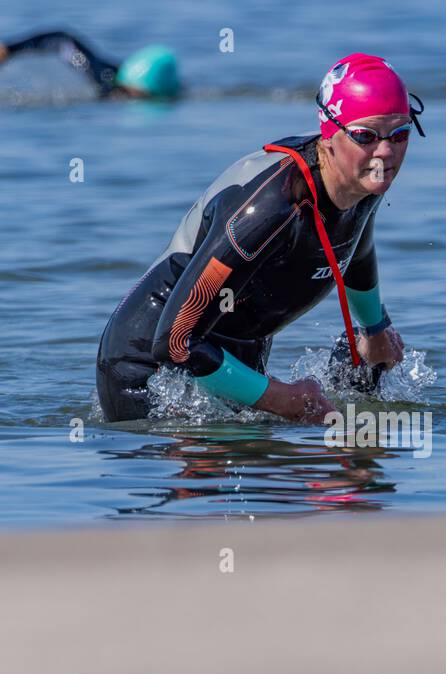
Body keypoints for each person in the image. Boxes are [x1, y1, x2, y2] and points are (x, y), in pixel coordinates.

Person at [95, 53, 424, 424]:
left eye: (399, 134)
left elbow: (354, 244)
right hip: (151, 368)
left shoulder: (363, 177)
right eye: (366, 136)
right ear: (330, 134)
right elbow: (177, 342)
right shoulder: (270, 211)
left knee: (356, 399)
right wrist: (283, 399)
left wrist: (374, 328)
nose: (386, 152)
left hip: (233, 353)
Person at [0, 30, 179, 99]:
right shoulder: (108, 77)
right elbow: (62, 40)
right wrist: (2, 50)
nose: (124, 98)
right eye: (127, 92)